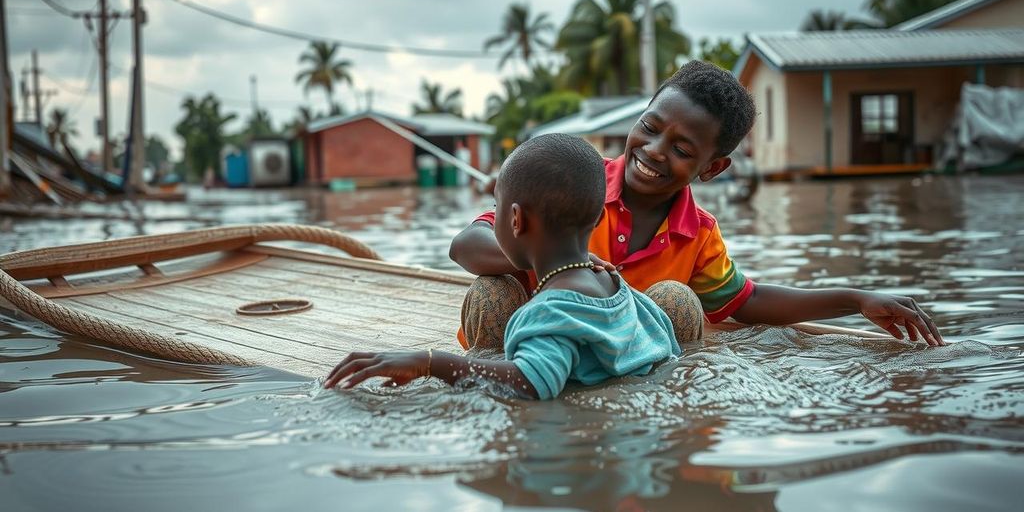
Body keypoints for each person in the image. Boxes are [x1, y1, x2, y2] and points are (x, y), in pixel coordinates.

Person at [450, 60, 945, 349]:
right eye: (649, 127)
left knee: (679, 302)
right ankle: (499, 395)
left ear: (712, 169)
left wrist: (855, 299)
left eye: (683, 149)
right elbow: (466, 245)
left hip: (620, 357)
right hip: (533, 344)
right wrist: (567, 261)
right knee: (491, 290)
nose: (654, 151)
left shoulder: (698, 233)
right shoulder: (578, 180)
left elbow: (746, 301)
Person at [324, 134, 681, 399]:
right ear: (597, 216)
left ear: (514, 219)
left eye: (496, 205)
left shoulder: (549, 311)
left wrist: (429, 361)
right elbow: (668, 350)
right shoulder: (623, 292)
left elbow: (531, 381)